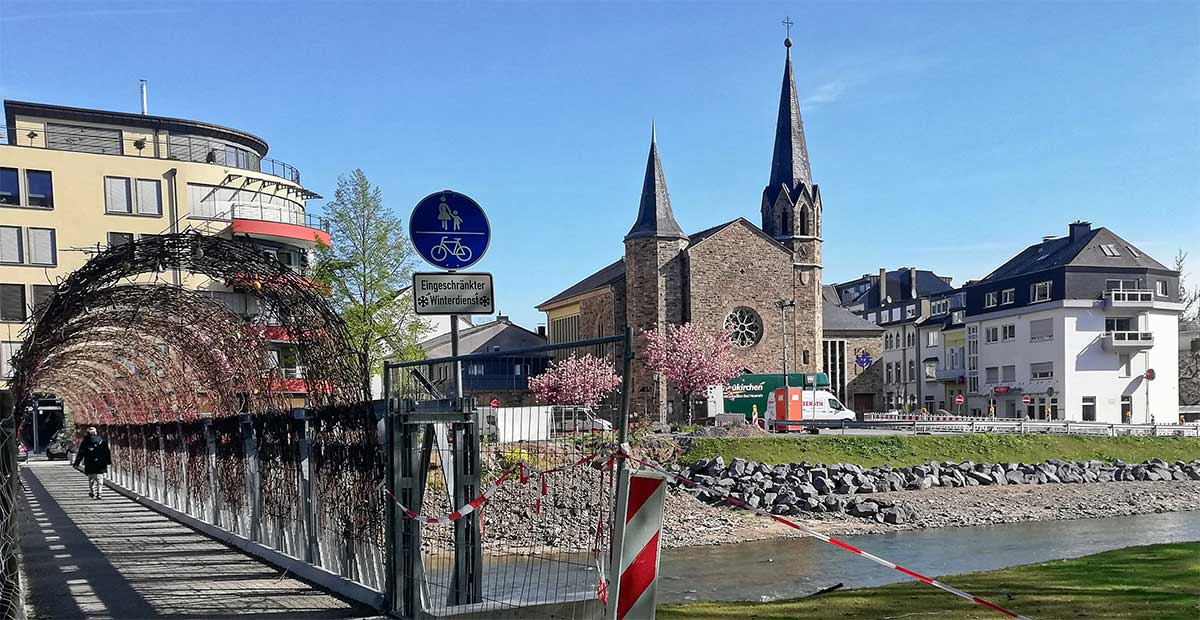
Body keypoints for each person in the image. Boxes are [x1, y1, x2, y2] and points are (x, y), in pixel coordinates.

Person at [73, 427, 112, 500]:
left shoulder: (85, 442)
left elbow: (81, 453)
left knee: (91, 478)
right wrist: (108, 462)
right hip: (101, 463)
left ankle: (93, 492)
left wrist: (76, 463)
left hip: (89, 463)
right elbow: (107, 453)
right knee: (99, 478)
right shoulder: (102, 441)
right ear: (96, 432)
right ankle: (99, 493)